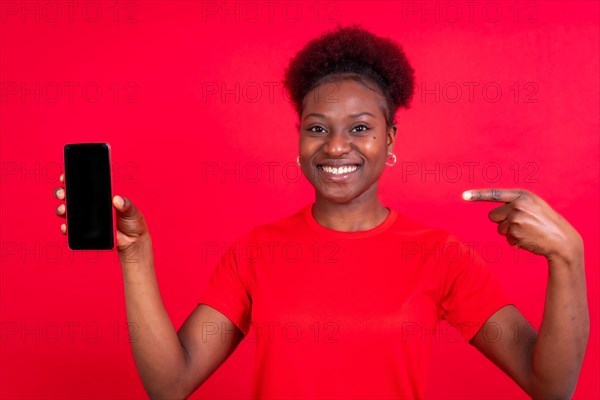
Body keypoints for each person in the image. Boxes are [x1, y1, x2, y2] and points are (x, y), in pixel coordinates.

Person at [53, 25, 589, 399]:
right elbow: (169, 385)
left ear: (390, 138)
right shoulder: (257, 252)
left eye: (360, 127)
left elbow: (550, 385)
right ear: (299, 139)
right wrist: (135, 257)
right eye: (317, 128)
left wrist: (569, 257)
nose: (336, 146)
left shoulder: (439, 256)